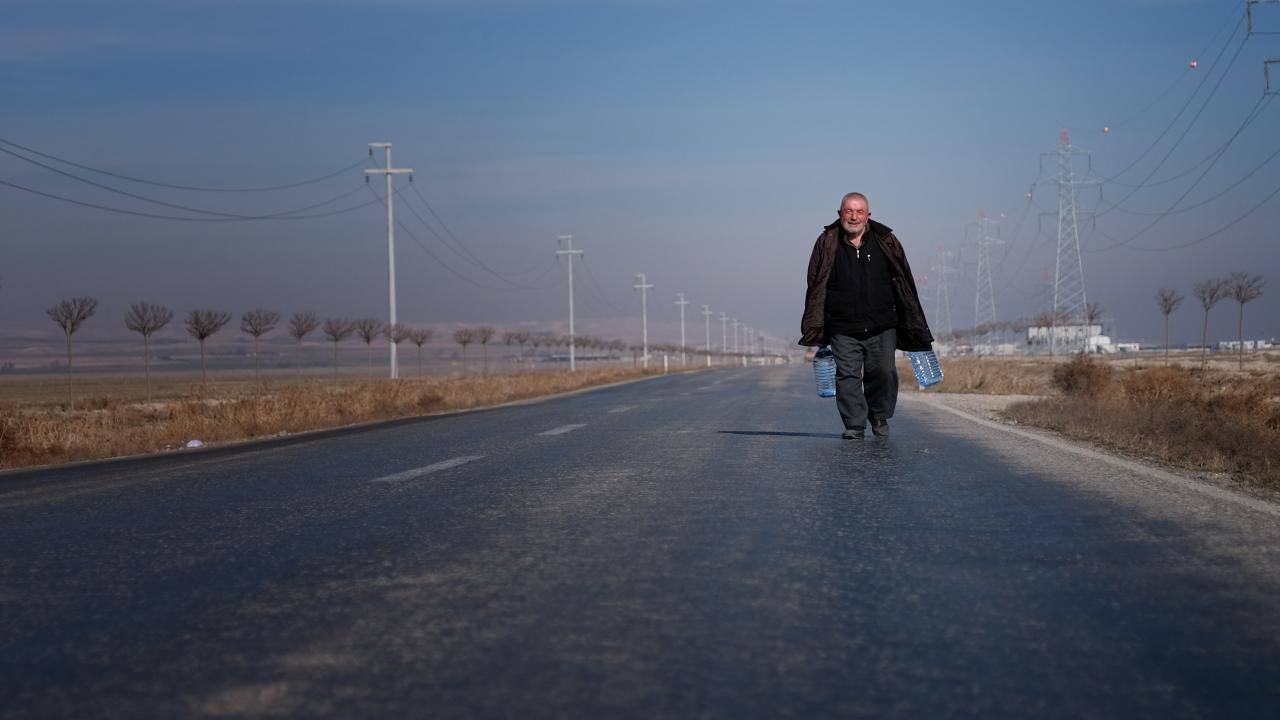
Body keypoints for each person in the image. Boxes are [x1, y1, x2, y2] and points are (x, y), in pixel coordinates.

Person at [800, 192, 933, 439]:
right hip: (842, 326)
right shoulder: (827, 241)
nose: (854, 217)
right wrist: (818, 321)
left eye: (859, 211)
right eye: (849, 211)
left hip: (882, 324)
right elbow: (815, 282)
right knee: (847, 375)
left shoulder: (885, 240)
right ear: (840, 214)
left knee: (883, 371)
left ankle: (879, 416)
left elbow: (903, 278)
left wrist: (909, 317)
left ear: (868, 216)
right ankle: (854, 424)